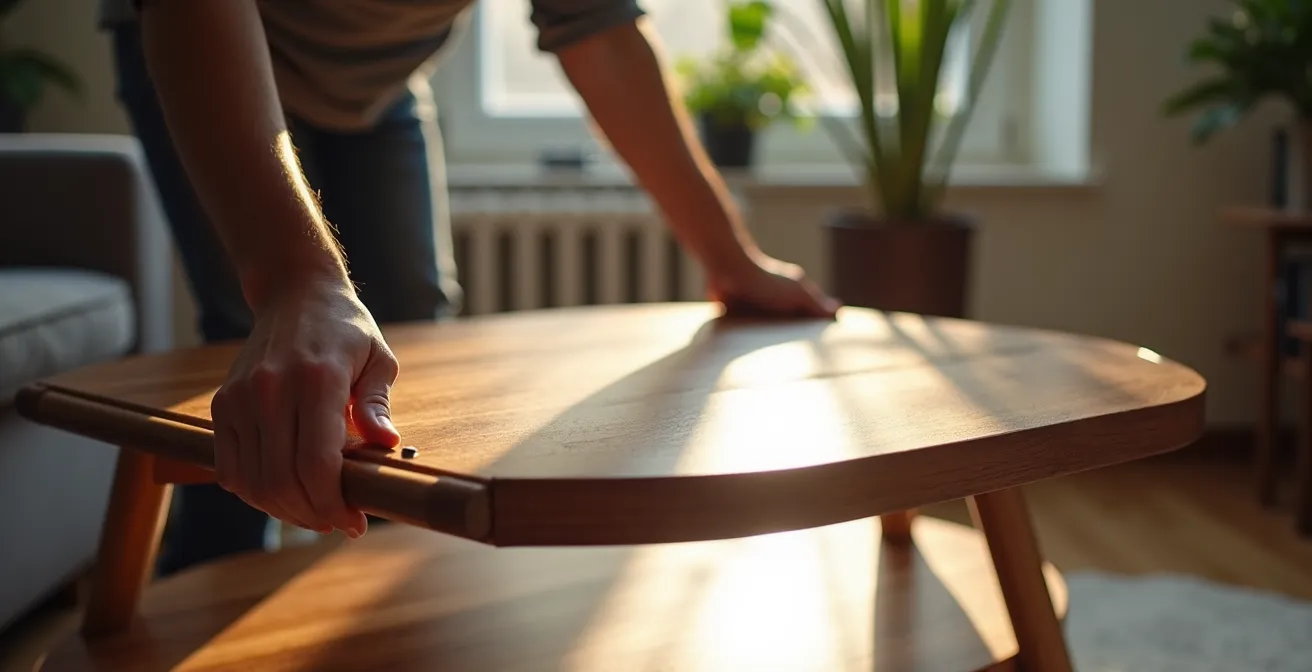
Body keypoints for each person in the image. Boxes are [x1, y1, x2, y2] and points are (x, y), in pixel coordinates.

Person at [103, 0, 840, 573]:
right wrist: (295, 278)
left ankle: (388, 605)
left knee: (414, 347)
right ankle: (194, 590)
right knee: (257, 340)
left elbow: (602, 34)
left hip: (381, 85)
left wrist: (731, 258)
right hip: (214, 41)